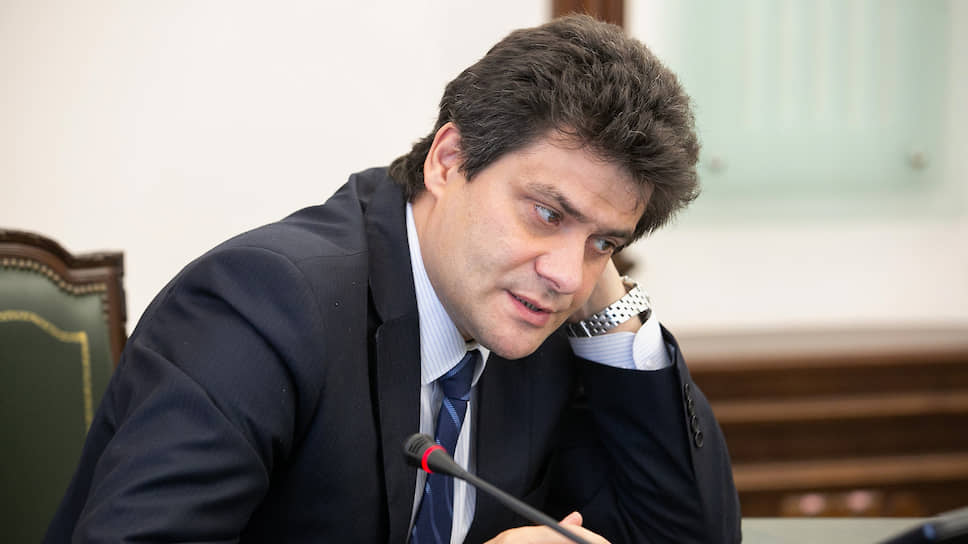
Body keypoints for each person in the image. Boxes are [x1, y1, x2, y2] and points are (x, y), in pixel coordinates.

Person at [45, 14, 740, 544]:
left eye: (604, 242)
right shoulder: (263, 304)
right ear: (448, 159)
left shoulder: (539, 316)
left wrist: (607, 301)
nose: (564, 274)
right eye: (546, 212)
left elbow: (687, 536)